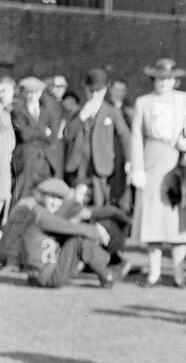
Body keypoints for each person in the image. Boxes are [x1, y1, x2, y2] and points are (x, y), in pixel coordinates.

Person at [129, 58, 186, 288]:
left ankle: (179, 272)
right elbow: (136, 137)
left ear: (175, 81)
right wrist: (137, 168)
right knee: (153, 218)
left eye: (168, 79)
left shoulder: (184, 100)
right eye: (159, 79)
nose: (163, 83)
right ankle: (154, 272)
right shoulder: (143, 102)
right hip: (152, 162)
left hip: (177, 163)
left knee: (177, 218)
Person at [0, 177, 115, 288]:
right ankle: (107, 273)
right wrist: (95, 231)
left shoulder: (43, 213)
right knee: (77, 240)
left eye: (59, 198)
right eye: (52, 197)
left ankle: (106, 266)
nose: (55, 203)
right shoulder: (40, 215)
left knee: (75, 236)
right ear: (41, 196)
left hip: (38, 275)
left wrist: (93, 227)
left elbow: (70, 219)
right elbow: (69, 227)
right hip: (47, 275)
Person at [62, 69, 131, 207]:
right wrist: (82, 116)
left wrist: (129, 160)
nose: (94, 95)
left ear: (105, 90)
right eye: (91, 91)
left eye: (98, 91)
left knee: (101, 203)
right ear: (85, 88)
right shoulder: (79, 112)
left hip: (101, 167)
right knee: (77, 203)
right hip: (80, 167)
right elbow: (67, 134)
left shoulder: (112, 112)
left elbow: (126, 137)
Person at [11, 76, 66, 203]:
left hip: (46, 159)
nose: (32, 96)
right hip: (27, 160)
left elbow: (52, 137)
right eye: (29, 93)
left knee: (46, 193)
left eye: (36, 92)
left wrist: (34, 133)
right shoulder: (18, 111)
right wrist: (43, 132)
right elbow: (24, 135)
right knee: (23, 193)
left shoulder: (47, 110)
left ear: (41, 92)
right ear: (24, 93)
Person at [0, 76, 15, 223]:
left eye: (6, 91)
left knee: (5, 195)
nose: (3, 94)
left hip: (5, 160)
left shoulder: (8, 112)